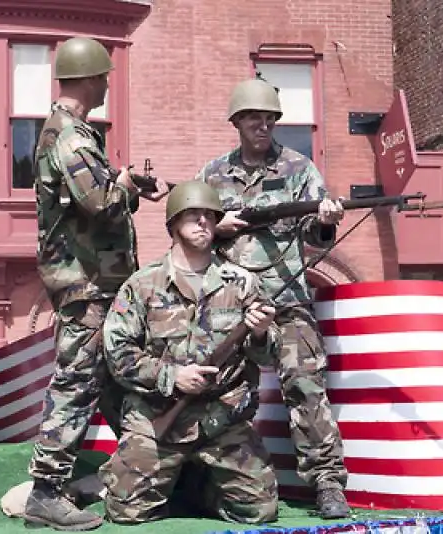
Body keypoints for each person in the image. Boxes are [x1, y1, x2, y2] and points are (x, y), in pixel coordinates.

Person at [25, 36, 168, 531]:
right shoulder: (70, 137)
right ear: (88, 78)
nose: (108, 83)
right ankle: (46, 491)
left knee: (113, 379)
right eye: (104, 75)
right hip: (85, 283)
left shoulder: (74, 134)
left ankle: (144, 473)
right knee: (77, 380)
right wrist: (125, 186)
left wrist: (125, 179)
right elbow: (101, 203)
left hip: (99, 281)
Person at [195, 78, 351, 519]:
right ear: (237, 122)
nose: (262, 127)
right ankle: (213, 479)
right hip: (227, 302)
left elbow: (316, 239)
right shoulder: (212, 174)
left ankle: (326, 481)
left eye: (269, 119)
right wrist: (217, 227)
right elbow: (190, 231)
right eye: (253, 119)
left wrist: (324, 221)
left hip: (285, 296)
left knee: (304, 382)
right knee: (220, 389)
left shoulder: (299, 170)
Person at [99, 181, 281, 525]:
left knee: (259, 511)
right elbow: (118, 354)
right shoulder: (142, 284)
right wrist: (172, 377)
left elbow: (266, 356)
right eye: (193, 215)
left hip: (220, 419)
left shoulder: (241, 283)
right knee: (127, 512)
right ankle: (171, 480)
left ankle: (197, 488)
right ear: (173, 224)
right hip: (159, 417)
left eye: (210, 217)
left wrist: (259, 333)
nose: (203, 223)